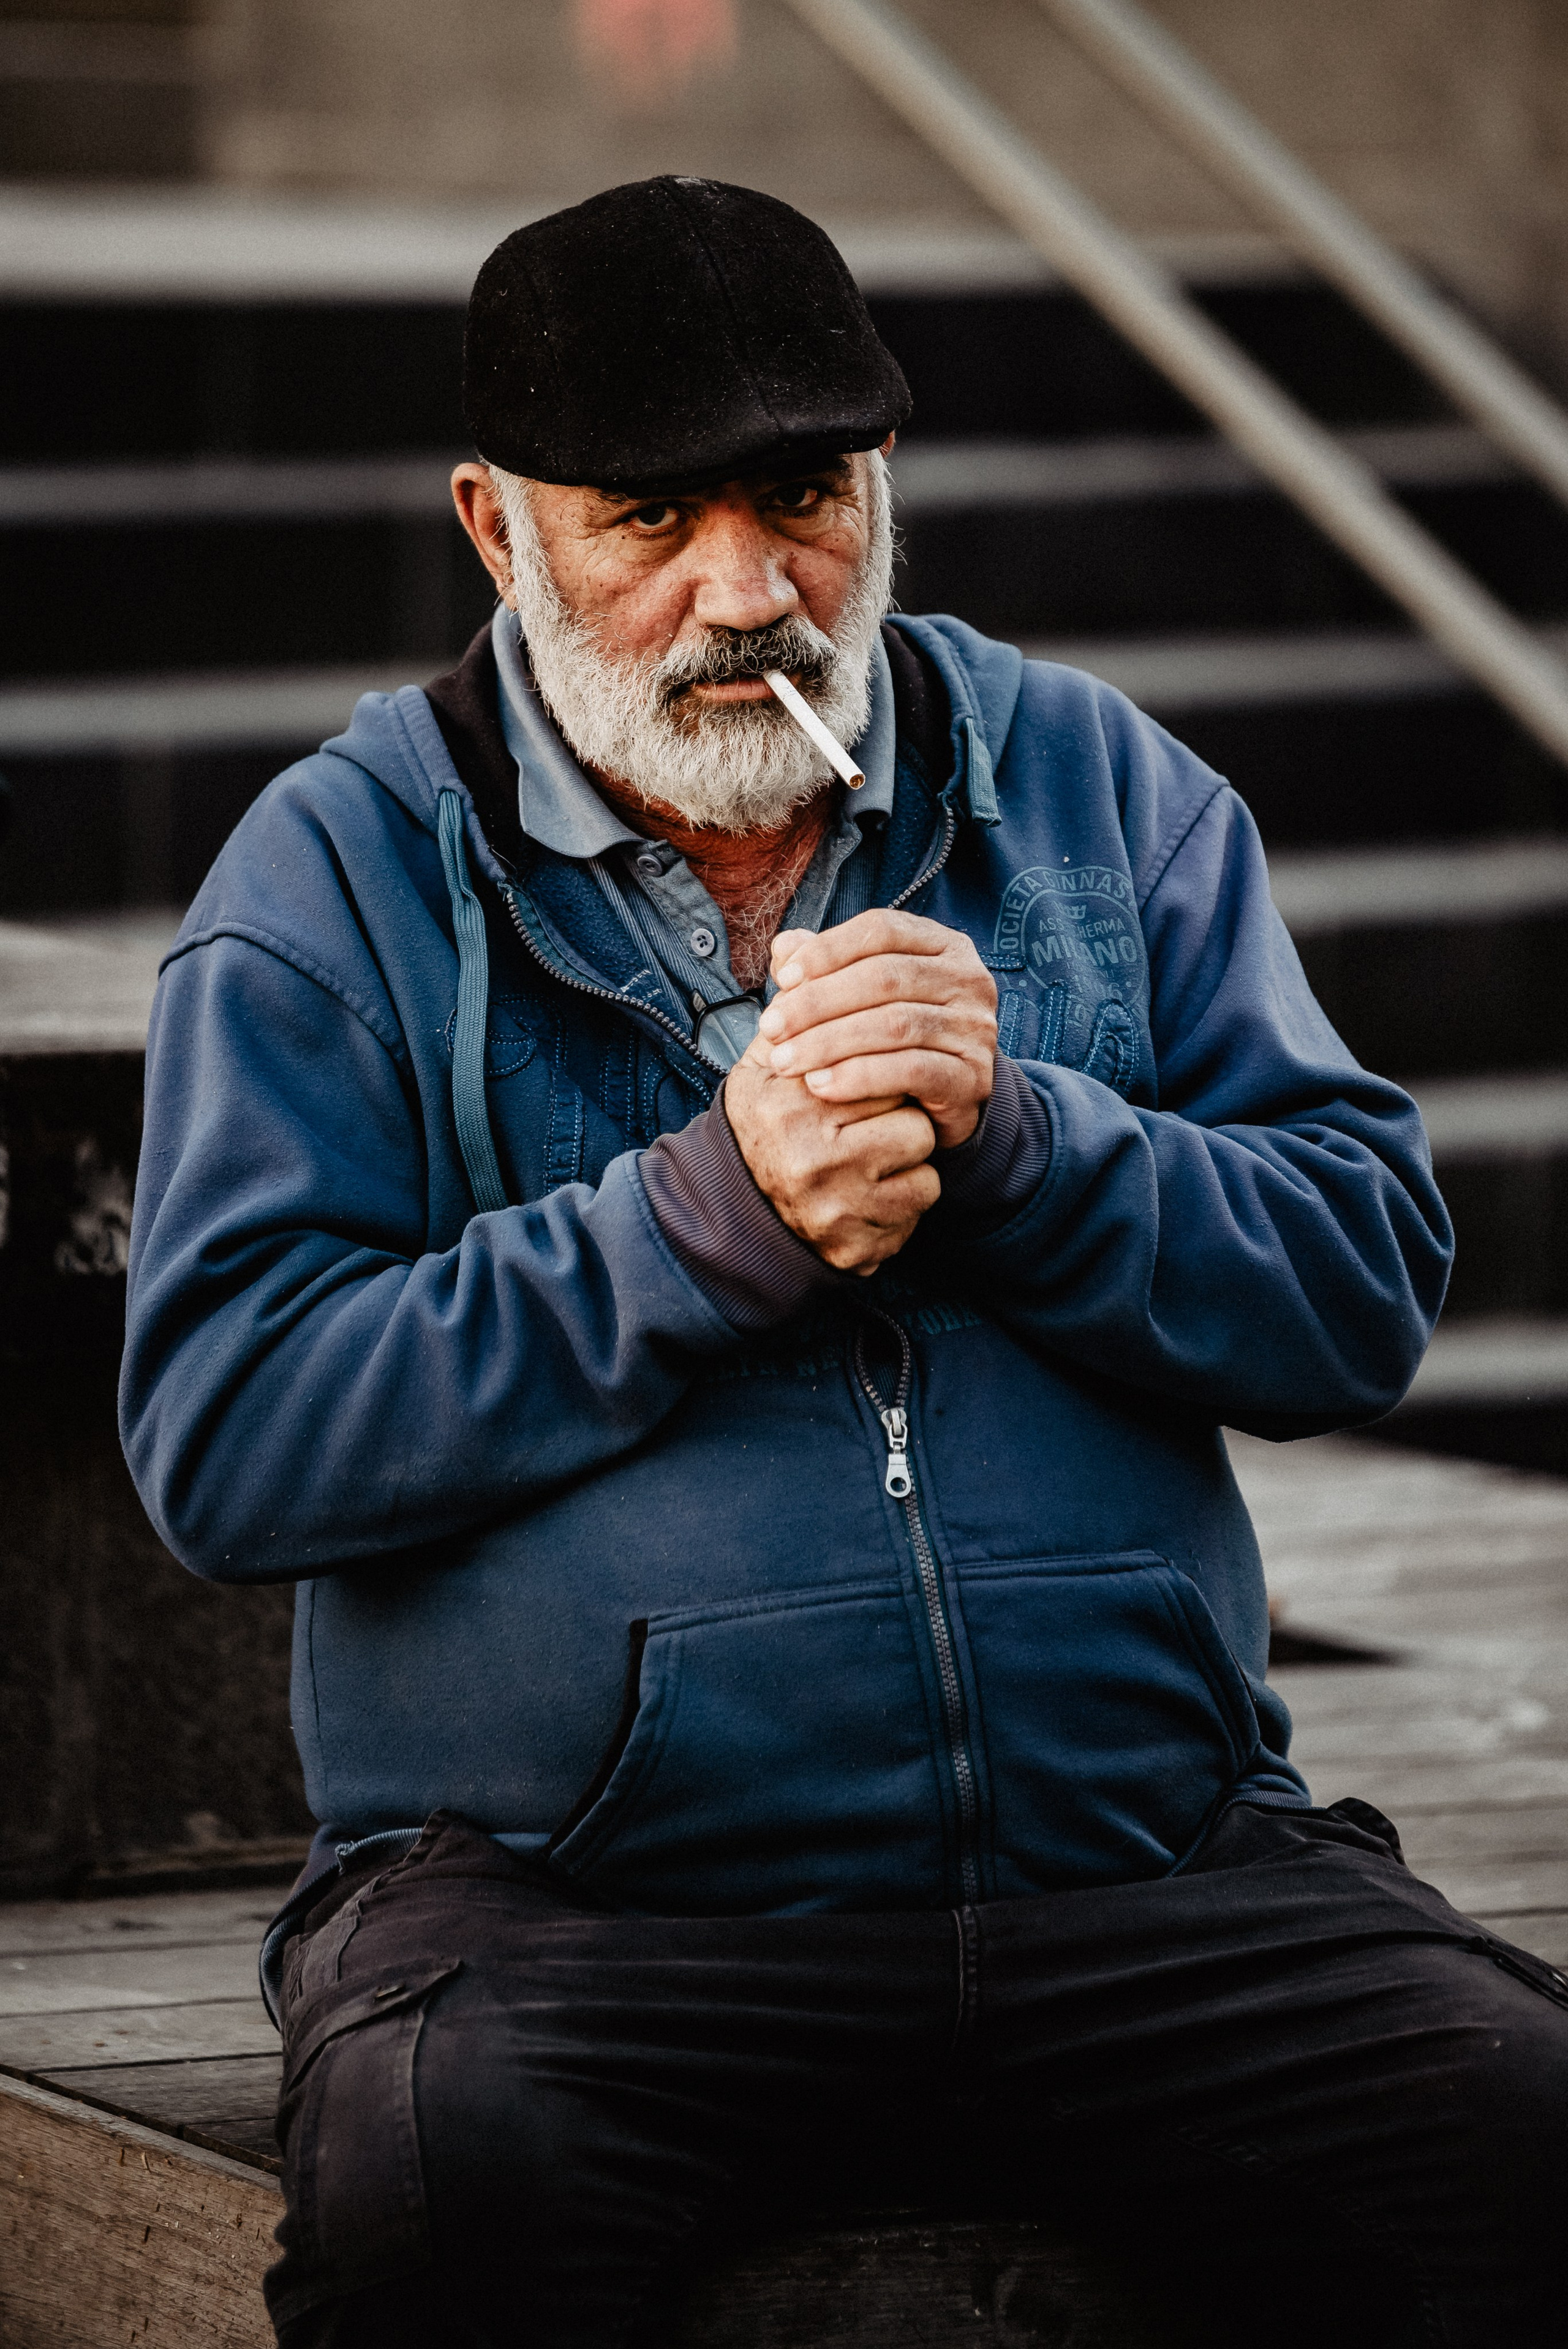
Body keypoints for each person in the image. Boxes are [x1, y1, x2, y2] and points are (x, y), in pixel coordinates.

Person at [119, 178, 1567, 2348]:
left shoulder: (1095, 790)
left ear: (880, 485)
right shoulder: (331, 874)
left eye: (803, 497)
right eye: (645, 520)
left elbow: (1361, 1276)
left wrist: (1023, 1142)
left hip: (1152, 1870)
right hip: (572, 1920)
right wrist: (712, 1217)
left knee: (1526, 2124)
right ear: (499, 534)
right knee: (451, 2171)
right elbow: (228, 1435)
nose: (747, 590)